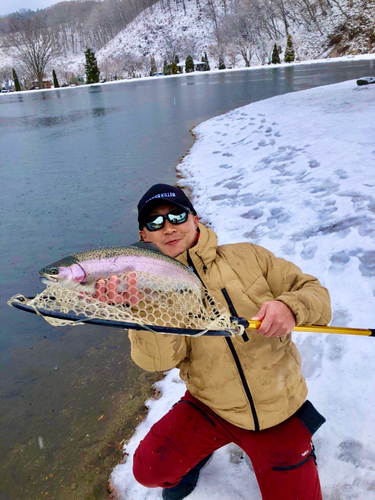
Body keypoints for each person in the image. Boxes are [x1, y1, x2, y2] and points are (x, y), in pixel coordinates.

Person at [99, 183, 332, 500]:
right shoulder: (145, 290)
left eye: (177, 215)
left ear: (194, 219)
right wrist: (140, 311)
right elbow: (156, 362)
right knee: (149, 469)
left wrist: (291, 307)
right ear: (144, 236)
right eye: (155, 222)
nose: (168, 227)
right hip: (210, 407)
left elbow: (316, 295)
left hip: (279, 409)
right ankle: (196, 456)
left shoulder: (248, 256)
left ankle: (299, 445)